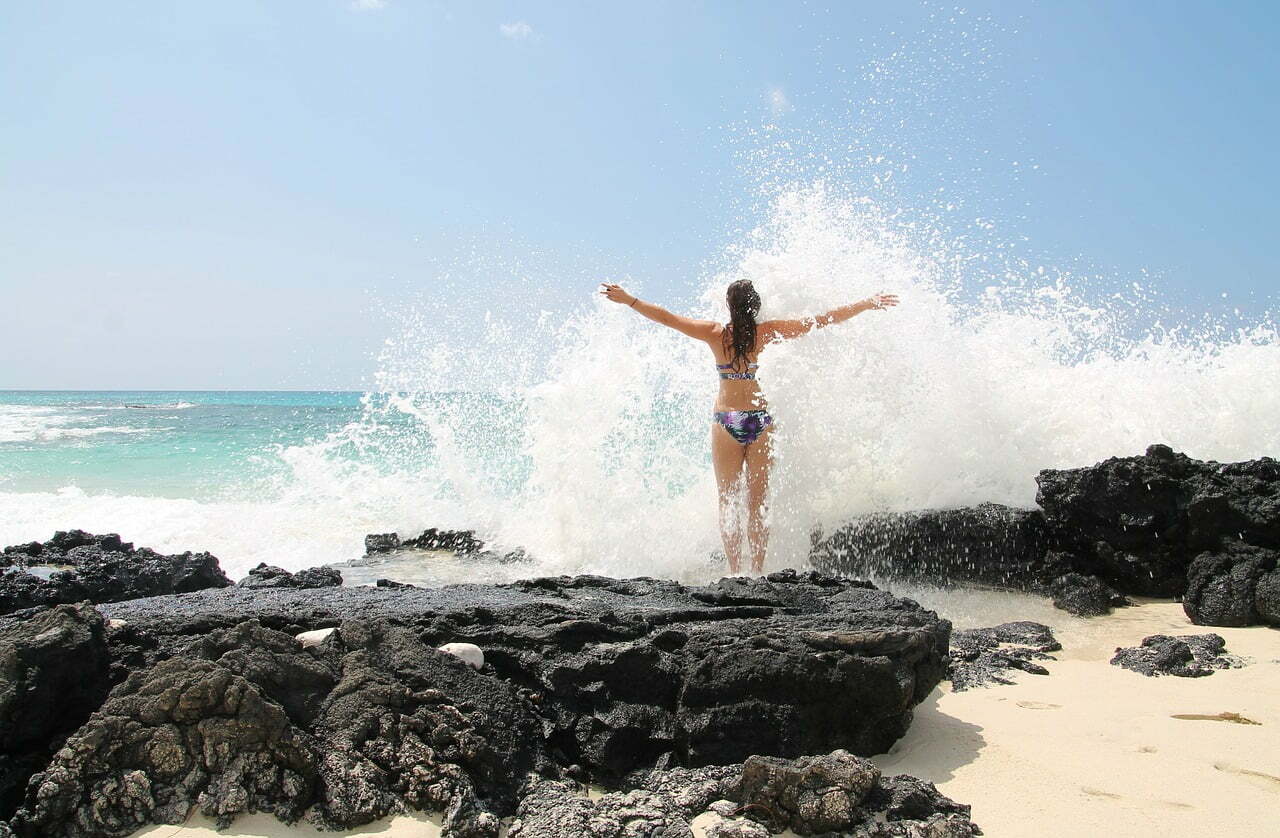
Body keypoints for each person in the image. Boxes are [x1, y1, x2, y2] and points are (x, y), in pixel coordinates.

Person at [600, 279, 899, 573]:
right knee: (758, 502)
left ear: (729, 306)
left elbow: (669, 319)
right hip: (760, 420)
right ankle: (756, 571)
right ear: (754, 306)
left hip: (727, 420)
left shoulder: (715, 333)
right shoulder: (766, 333)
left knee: (728, 500)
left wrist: (629, 300)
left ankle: (734, 571)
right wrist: (865, 304)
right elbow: (820, 321)